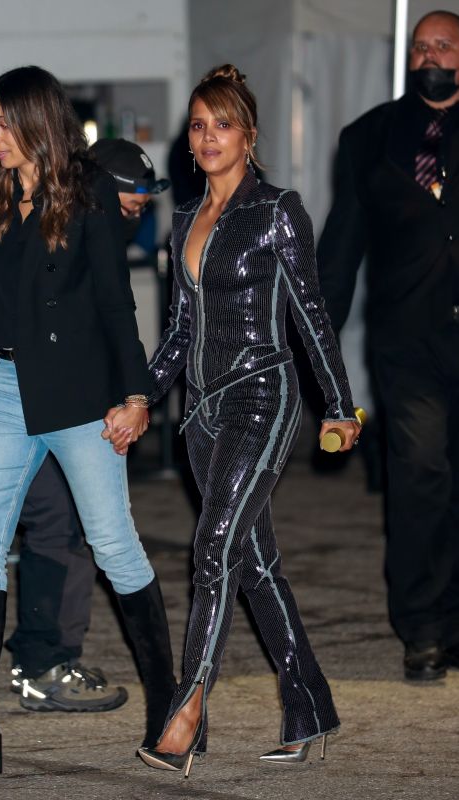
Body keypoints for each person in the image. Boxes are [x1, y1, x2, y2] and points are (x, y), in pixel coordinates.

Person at [0, 65, 175, 777]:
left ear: (37, 123)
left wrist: (135, 393)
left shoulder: (90, 198)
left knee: (113, 544)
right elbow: (3, 304)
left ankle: (171, 708)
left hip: (81, 396)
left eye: (4, 121)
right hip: (5, 385)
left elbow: (114, 303)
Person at [114, 64, 359, 776]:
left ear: (248, 136)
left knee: (212, 548)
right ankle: (309, 707)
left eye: (222, 124)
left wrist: (340, 406)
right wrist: (144, 397)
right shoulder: (185, 222)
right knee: (252, 564)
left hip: (262, 397)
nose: (209, 136)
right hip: (201, 415)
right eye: (198, 125)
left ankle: (186, 711)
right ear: (188, 144)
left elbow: (310, 315)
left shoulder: (278, 210)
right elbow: (178, 332)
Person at [3, 138, 171, 714]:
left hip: (73, 407)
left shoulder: (93, 236)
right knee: (55, 527)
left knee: (70, 529)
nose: (137, 216)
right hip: (33, 406)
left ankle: (46, 659)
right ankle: (41, 664)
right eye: (130, 205)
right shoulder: (58, 233)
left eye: (144, 207)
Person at [317, 10, 459, 682]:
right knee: (419, 475)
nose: (429, 53)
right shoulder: (368, 136)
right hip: (405, 343)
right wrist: (316, 351)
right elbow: (340, 246)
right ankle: (423, 627)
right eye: (420, 45)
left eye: (443, 45)